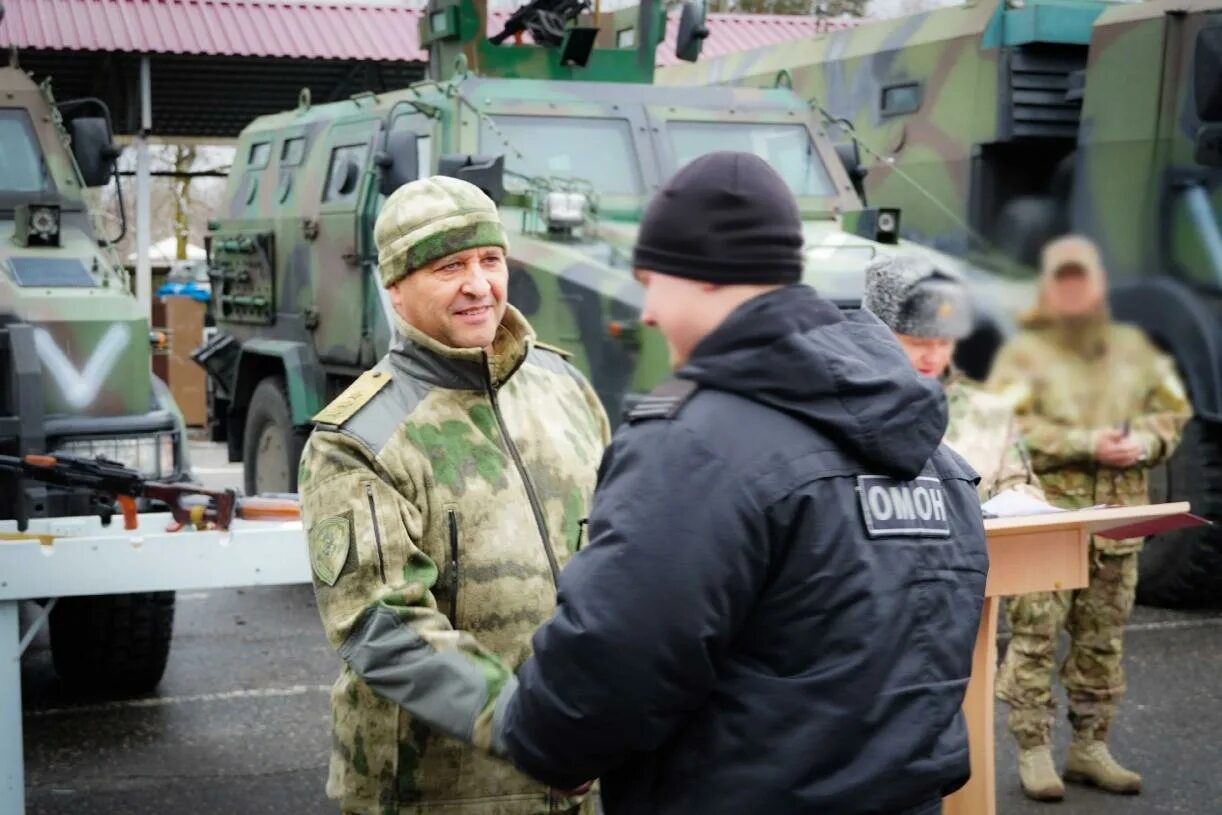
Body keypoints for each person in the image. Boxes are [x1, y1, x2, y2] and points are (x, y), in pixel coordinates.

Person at [485, 151, 990, 815]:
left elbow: (615, 659)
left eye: (651, 282)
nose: (647, 313)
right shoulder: (926, 449)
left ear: (701, 276)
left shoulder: (694, 446)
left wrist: (545, 740)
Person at [298, 175, 610, 815]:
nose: (478, 284)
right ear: (395, 288)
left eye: (489, 260)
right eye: (449, 266)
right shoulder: (358, 439)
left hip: (585, 775)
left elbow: (623, 554)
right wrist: (527, 727)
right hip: (439, 792)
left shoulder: (564, 386)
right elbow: (382, 624)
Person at [988, 235, 1191, 801]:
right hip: (1049, 521)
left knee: (1103, 641)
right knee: (1035, 636)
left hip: (1118, 524)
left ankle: (1089, 747)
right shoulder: (1022, 355)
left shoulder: (1137, 351)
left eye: (1084, 280)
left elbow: (1174, 412)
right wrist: (1086, 442)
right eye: (1064, 280)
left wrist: (1145, 445)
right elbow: (1011, 432)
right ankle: (1033, 748)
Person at [862, 256, 1042, 501]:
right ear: (878, 335)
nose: (934, 356)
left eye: (945, 342)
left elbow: (1023, 494)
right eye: (919, 343)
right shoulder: (851, 412)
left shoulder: (990, 414)